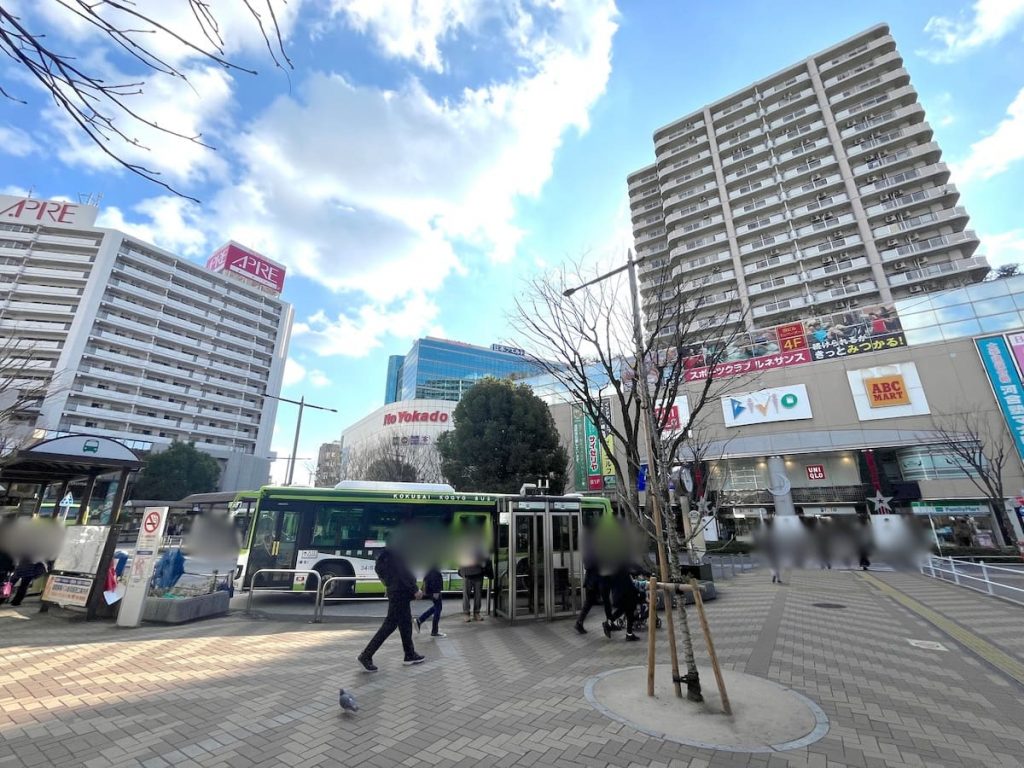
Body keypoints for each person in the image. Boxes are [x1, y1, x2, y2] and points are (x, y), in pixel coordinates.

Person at [358, 535, 425, 671]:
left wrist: (388, 584)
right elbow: (404, 574)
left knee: (405, 623)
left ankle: (409, 654)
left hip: (395, 592)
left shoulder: (385, 555)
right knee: (389, 625)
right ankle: (366, 655)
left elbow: (380, 571)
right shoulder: (398, 555)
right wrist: (415, 589)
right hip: (401, 593)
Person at [575, 546, 612, 635]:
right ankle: (609, 623)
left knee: (603, 602)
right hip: (596, 581)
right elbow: (587, 565)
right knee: (595, 602)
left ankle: (610, 622)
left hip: (596, 580)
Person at [603, 564, 640, 642]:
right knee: (629, 609)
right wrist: (641, 571)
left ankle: (628, 633)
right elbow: (630, 570)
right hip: (624, 591)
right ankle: (628, 633)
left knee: (625, 609)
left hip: (619, 592)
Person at [415, 564, 445, 638]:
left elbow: (427, 577)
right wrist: (436, 591)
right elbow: (435, 577)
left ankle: (420, 620)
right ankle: (434, 631)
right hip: (434, 590)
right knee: (438, 608)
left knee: (436, 607)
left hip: (431, 589)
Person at [459, 550, 486, 622]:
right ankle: (466, 614)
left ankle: (476, 613)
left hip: (478, 573)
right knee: (466, 595)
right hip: (467, 574)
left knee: (478, 595)